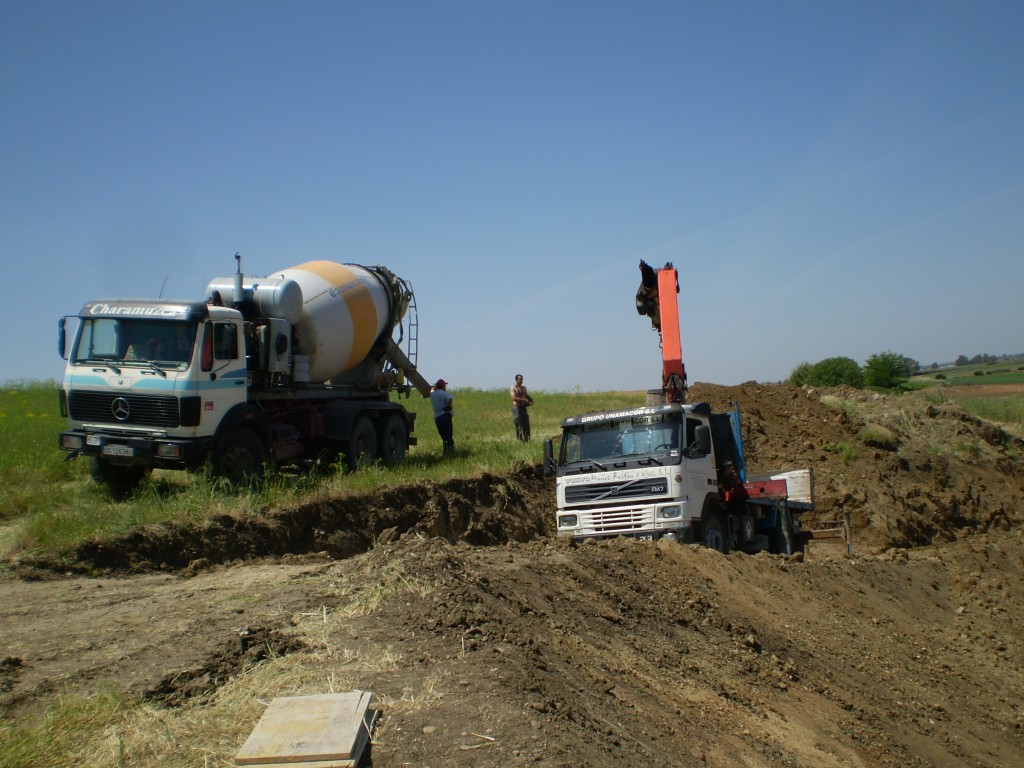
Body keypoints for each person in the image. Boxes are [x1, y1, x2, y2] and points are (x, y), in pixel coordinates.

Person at [430, 378, 455, 455]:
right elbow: (450, 399)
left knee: (443, 435)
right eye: (445, 386)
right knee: (449, 434)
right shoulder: (443, 393)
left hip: (437, 417)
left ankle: (445, 451)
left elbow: (431, 389)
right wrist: (448, 406)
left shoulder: (433, 394)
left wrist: (434, 386)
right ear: (443, 386)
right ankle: (451, 450)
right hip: (445, 415)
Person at [509, 373, 533, 441]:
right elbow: (514, 398)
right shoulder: (513, 388)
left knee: (526, 424)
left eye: (522, 379)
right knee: (518, 424)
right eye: (520, 379)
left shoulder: (524, 388)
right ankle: (519, 439)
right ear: (516, 380)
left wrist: (530, 400)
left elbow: (526, 395)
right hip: (517, 408)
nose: (521, 381)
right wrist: (523, 399)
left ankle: (527, 439)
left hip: (523, 407)